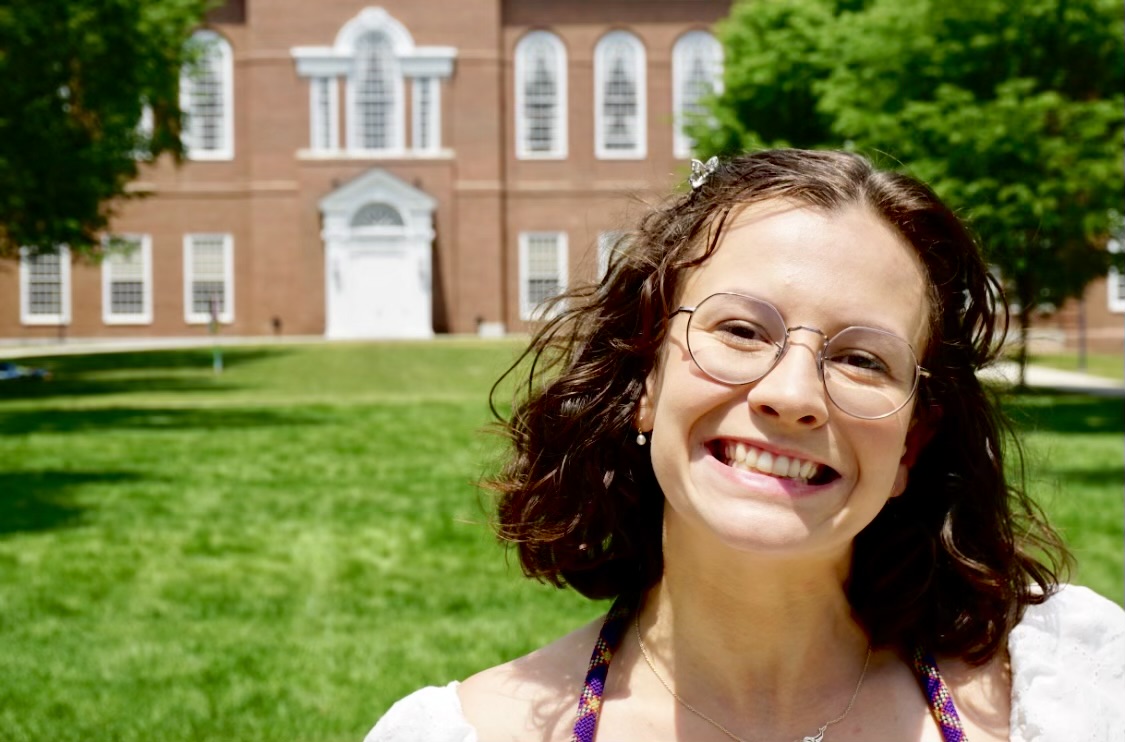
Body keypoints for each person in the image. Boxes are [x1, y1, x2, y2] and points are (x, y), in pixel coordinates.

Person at [366, 149, 1124, 742]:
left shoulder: (1078, 692)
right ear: (645, 378)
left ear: (909, 446)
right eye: (740, 330)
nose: (792, 394)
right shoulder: (462, 732)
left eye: (862, 360)